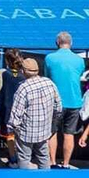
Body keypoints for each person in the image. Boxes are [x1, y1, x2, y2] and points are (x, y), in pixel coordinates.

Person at [13, 56, 61, 169]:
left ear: (23, 71)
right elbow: (58, 107)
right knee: (44, 156)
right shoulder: (49, 83)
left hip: (26, 132)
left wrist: (14, 128)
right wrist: (52, 122)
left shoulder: (23, 88)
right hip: (44, 129)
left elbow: (16, 114)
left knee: (24, 158)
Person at [47, 31, 85, 166]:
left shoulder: (49, 58)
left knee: (52, 132)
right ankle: (66, 164)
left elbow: (48, 76)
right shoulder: (79, 60)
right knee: (69, 134)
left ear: (57, 42)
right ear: (71, 43)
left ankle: (52, 162)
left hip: (54, 102)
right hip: (74, 101)